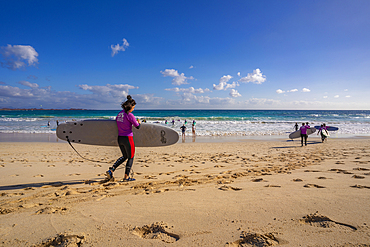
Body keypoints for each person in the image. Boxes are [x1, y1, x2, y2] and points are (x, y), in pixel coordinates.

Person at [106, 95, 141, 181]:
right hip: (128, 138)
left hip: (120, 138)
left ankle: (111, 170)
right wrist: (139, 122)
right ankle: (126, 177)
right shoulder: (130, 115)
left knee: (125, 156)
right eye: (133, 107)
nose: (133, 109)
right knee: (131, 157)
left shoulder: (119, 114)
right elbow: (137, 126)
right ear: (130, 107)